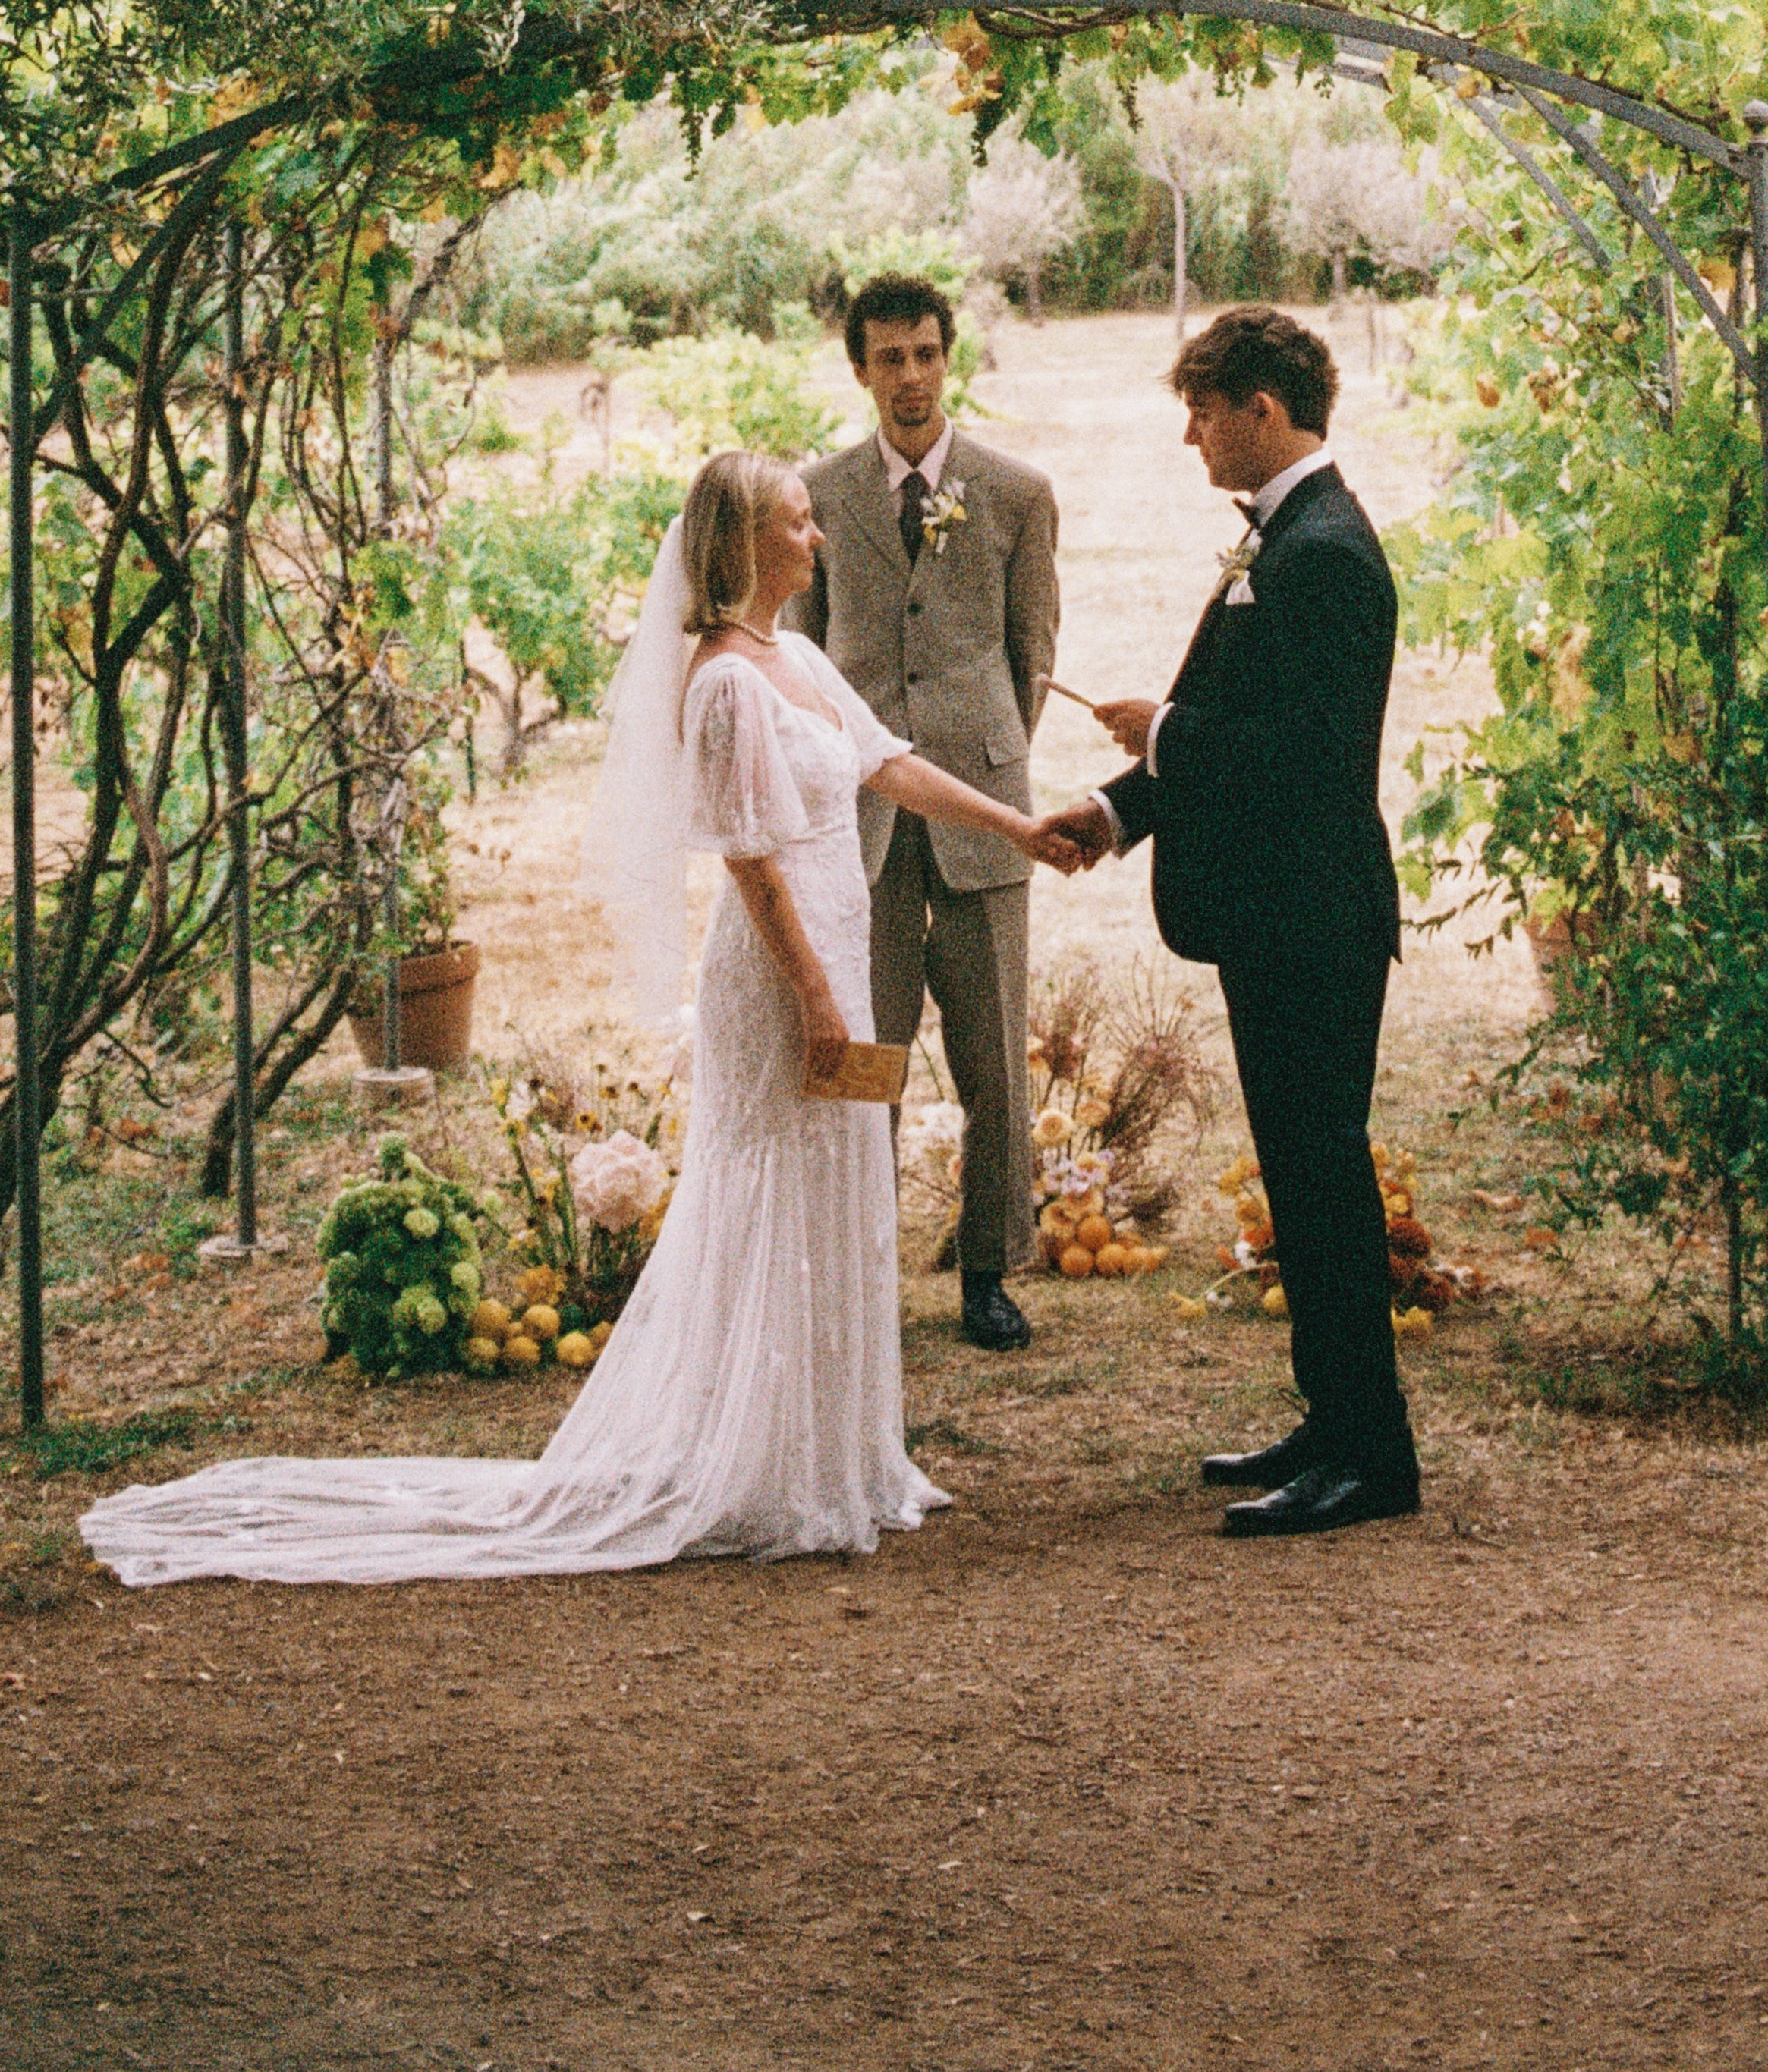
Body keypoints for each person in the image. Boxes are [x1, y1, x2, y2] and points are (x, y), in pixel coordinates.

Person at [80, 451, 1077, 1589]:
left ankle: (837, 1452)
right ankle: (760, 1463)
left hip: (840, 945)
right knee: (772, 1190)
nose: (819, 540)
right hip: (786, 963)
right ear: (744, 542)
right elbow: (751, 864)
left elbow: (892, 766)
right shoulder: (723, 684)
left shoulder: (796, 656)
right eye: (798, 525)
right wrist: (810, 996)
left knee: (839, 1180)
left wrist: (1020, 826)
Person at [1046, 303, 1417, 1540]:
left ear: (1265, 409)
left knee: (1324, 1178)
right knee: (1303, 1175)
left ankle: (1373, 1456)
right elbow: (1237, 729)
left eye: (1204, 410)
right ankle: (1333, 1417)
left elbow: (1308, 764)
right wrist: (1115, 812)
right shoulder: (1286, 536)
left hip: (1314, 916)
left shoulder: (1325, 553)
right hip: (1276, 915)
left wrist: (1161, 732)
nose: (1191, 435)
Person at [794, 272, 1061, 1350]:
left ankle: (989, 1272)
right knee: (876, 1054)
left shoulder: (1016, 492)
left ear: (951, 358)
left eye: (927, 354)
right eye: (889, 358)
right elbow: (805, 663)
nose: (911, 378)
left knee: (994, 1060)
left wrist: (982, 773)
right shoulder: (813, 495)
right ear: (860, 368)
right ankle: (863, 1271)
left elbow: (1032, 657)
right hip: (862, 826)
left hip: (982, 812)